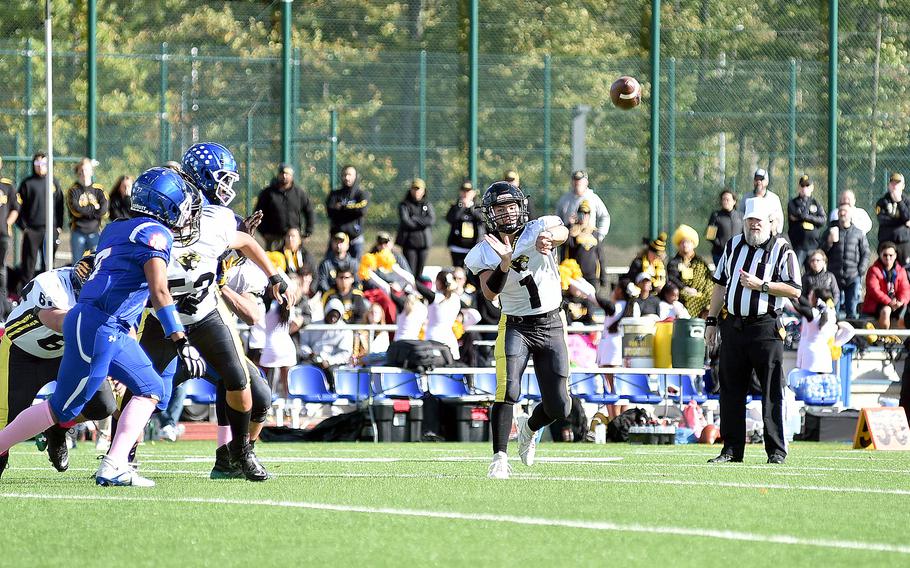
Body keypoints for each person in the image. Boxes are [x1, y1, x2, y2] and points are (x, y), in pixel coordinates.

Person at [0, 166, 206, 487]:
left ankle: (114, 464)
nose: (184, 214)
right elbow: (159, 290)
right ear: (165, 204)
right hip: (100, 326)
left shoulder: (117, 228)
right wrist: (180, 338)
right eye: (180, 204)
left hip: (108, 325)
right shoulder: (156, 235)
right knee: (60, 412)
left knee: (151, 388)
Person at [134, 142, 289, 481]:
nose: (229, 187)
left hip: (206, 319)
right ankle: (120, 454)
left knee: (257, 393)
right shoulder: (164, 213)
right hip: (165, 321)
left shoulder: (222, 218)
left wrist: (261, 271)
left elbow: (226, 265)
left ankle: (232, 458)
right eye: (223, 178)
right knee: (137, 390)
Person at [465, 181, 570, 479]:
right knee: (507, 389)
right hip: (516, 326)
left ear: (521, 206)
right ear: (490, 213)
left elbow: (562, 231)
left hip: (550, 323)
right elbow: (489, 293)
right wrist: (505, 263)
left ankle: (529, 428)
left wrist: (549, 238)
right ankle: (499, 458)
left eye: (511, 206)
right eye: (500, 208)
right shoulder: (484, 251)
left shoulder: (540, 227)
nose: (507, 212)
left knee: (561, 406)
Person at [0, 255, 117, 478]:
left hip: (66, 354)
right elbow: (60, 321)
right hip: (21, 352)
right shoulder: (51, 285)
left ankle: (56, 427)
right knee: (7, 422)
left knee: (102, 405)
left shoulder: (109, 293)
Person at [705, 197, 801, 465]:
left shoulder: (782, 249)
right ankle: (731, 450)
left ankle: (776, 451)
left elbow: (795, 289)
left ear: (771, 222)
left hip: (765, 327)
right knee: (730, 390)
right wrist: (711, 321)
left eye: (759, 221)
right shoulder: (734, 245)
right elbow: (720, 285)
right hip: (733, 325)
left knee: (771, 390)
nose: (754, 225)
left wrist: (763, 285)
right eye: (750, 220)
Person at [16, 152, 64, 287]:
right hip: (32, 230)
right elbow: (18, 207)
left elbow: (60, 205)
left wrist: (58, 226)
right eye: (37, 163)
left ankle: (47, 293)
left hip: (51, 229)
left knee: (48, 265)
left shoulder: (53, 182)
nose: (40, 167)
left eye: (43, 163)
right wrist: (24, 227)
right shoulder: (27, 183)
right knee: (29, 265)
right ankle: (25, 296)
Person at [555, 170, 611, 285]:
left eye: (580, 182)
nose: (577, 184)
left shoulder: (593, 198)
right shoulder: (565, 199)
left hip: (589, 241)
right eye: (575, 182)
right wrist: (568, 226)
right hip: (570, 241)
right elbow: (557, 220)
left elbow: (605, 216)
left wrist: (599, 235)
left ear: (586, 182)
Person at [821, 205, 868, 319]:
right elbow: (822, 252)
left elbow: (865, 252)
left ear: (851, 215)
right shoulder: (830, 231)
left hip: (853, 276)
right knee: (832, 310)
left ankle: (852, 336)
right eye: (840, 211)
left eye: (845, 211)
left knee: (851, 311)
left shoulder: (858, 233)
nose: (842, 213)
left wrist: (861, 270)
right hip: (835, 276)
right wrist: (829, 242)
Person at [254, 162, 315, 251]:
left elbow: (309, 212)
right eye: (282, 173)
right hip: (274, 238)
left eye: (287, 174)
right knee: (274, 262)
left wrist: (308, 232)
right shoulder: (268, 193)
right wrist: (264, 233)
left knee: (294, 263)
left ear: (292, 175)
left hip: (293, 238)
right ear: (278, 175)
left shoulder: (299, 193)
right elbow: (258, 214)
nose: (284, 176)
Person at [795, 288, 854, 374]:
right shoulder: (830, 314)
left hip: (810, 356)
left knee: (809, 384)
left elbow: (796, 306)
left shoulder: (814, 314)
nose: (809, 296)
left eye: (811, 295)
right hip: (825, 357)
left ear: (816, 299)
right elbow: (850, 330)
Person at [66, 158, 109, 262]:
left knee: (97, 263)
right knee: (77, 264)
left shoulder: (99, 189)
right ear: (78, 172)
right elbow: (75, 210)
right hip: (78, 232)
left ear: (91, 171)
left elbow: (104, 211)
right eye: (81, 170)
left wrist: (86, 210)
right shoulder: (73, 190)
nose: (84, 173)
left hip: (95, 232)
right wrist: (94, 208)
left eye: (86, 170)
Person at [666, 224, 713, 318]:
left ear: (693, 244)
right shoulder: (674, 262)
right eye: (682, 242)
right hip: (683, 293)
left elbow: (708, 280)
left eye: (688, 242)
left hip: (703, 293)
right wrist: (686, 288)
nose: (685, 245)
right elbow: (673, 278)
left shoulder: (700, 262)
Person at [861, 241, 910, 330]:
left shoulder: (901, 270)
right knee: (886, 311)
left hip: (896, 304)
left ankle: (903, 339)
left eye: (891, 255)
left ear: (895, 256)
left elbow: (905, 289)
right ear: (880, 255)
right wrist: (889, 302)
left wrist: (901, 301)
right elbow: (874, 290)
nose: (888, 258)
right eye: (885, 255)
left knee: (906, 311)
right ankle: (885, 337)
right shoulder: (873, 270)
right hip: (877, 305)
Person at [395, 178, 436, 280]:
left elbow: (431, 220)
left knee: (419, 273)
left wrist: (415, 218)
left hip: (423, 245)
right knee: (410, 272)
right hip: (409, 244)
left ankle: (419, 293)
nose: (417, 192)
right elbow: (406, 221)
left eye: (419, 189)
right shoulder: (404, 205)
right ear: (411, 190)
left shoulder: (427, 204)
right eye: (414, 189)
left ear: (424, 191)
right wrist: (422, 222)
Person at [326, 165, 369, 260]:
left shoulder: (362, 194)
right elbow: (331, 212)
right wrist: (352, 211)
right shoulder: (334, 194)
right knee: (328, 265)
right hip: (337, 240)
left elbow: (362, 211)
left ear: (355, 176)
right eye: (344, 175)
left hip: (355, 239)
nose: (347, 177)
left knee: (356, 269)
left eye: (349, 175)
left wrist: (342, 207)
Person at [786, 174, 826, 267]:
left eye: (807, 186)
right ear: (799, 187)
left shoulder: (816, 203)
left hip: (813, 246)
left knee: (812, 272)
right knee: (795, 271)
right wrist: (810, 218)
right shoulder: (793, 202)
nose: (804, 188)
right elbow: (795, 214)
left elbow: (822, 220)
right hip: (798, 245)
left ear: (812, 187)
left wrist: (807, 217)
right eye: (802, 186)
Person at [445, 179, 484, 268]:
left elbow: (482, 219)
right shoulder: (455, 207)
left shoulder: (479, 207)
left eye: (468, 191)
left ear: (473, 193)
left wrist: (470, 207)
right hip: (457, 248)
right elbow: (450, 219)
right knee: (458, 273)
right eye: (464, 191)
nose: (466, 193)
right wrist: (461, 207)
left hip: (474, 247)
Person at [564, 200, 602, 289]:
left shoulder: (594, 232)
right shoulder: (573, 231)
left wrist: (603, 276)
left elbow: (600, 255)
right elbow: (566, 245)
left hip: (592, 276)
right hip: (576, 275)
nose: (584, 215)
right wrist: (570, 225)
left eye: (586, 213)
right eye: (581, 212)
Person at [875, 172, 910, 266]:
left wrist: (899, 202)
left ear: (903, 186)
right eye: (892, 183)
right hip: (886, 242)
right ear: (889, 185)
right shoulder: (881, 202)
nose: (894, 185)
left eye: (898, 183)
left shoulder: (907, 202)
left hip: (903, 243)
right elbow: (882, 220)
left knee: (906, 272)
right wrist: (903, 221)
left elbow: (908, 217)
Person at [738, 168, 784, 235]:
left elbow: (779, 219)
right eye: (756, 179)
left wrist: (775, 232)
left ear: (767, 181)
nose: (759, 182)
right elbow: (740, 216)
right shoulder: (746, 197)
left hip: (769, 235)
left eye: (761, 179)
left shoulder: (774, 198)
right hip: (751, 234)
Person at [0, 157, 19, 316]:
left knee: (1, 269)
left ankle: (3, 305)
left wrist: (7, 223)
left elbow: (15, 207)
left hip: (2, 235)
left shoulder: (7, 185)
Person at [705, 189, 743, 265]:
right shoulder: (716, 216)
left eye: (728, 199)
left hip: (737, 254)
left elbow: (744, 234)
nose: (725, 202)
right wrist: (721, 245)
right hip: (719, 255)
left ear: (734, 201)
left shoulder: (740, 216)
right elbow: (710, 235)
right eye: (723, 199)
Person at [799, 250, 840, 316]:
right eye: (813, 260)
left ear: (824, 262)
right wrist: (810, 305)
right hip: (811, 312)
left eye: (818, 260)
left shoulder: (830, 276)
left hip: (828, 310)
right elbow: (801, 295)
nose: (815, 262)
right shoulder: (806, 277)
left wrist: (831, 304)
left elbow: (836, 293)